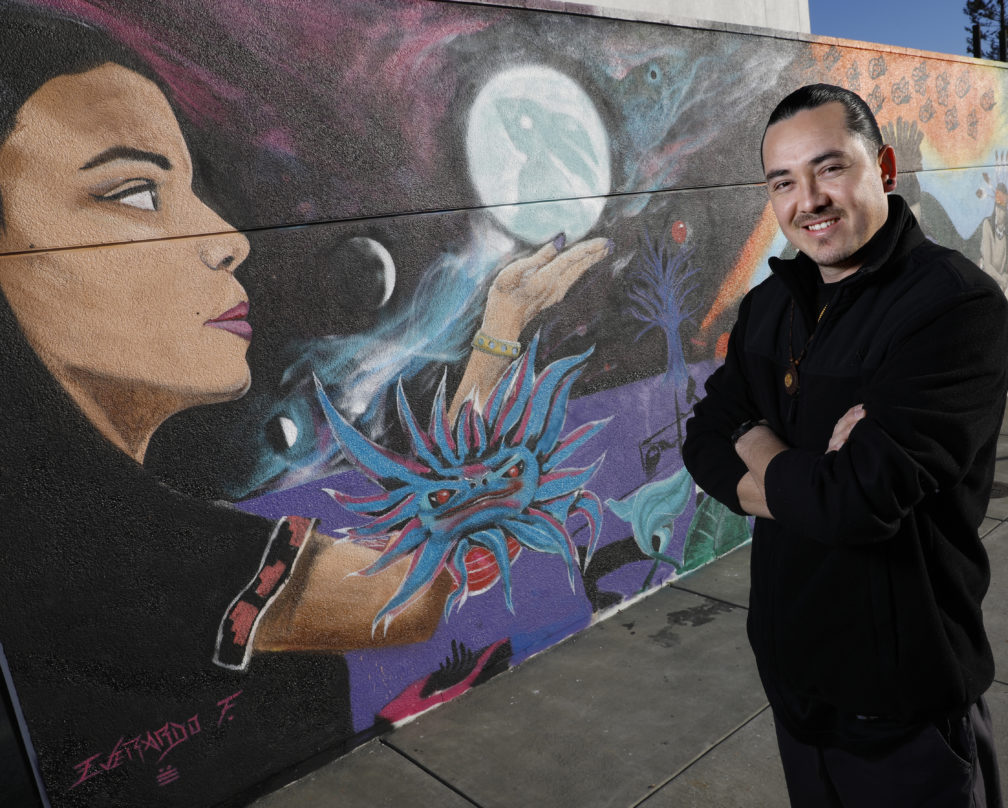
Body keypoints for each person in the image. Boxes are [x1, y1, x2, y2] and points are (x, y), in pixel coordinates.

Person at [0, 5, 606, 806]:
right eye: (138, 194)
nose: (227, 237)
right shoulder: (95, 546)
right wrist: (495, 338)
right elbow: (408, 594)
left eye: (193, 188)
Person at [682, 84, 1008, 807]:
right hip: (792, 674)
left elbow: (854, 505)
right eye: (783, 182)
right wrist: (788, 465)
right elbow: (703, 439)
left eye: (830, 168)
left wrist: (757, 444)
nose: (809, 200)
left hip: (901, 698)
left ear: (884, 167)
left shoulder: (953, 307)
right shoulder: (770, 307)